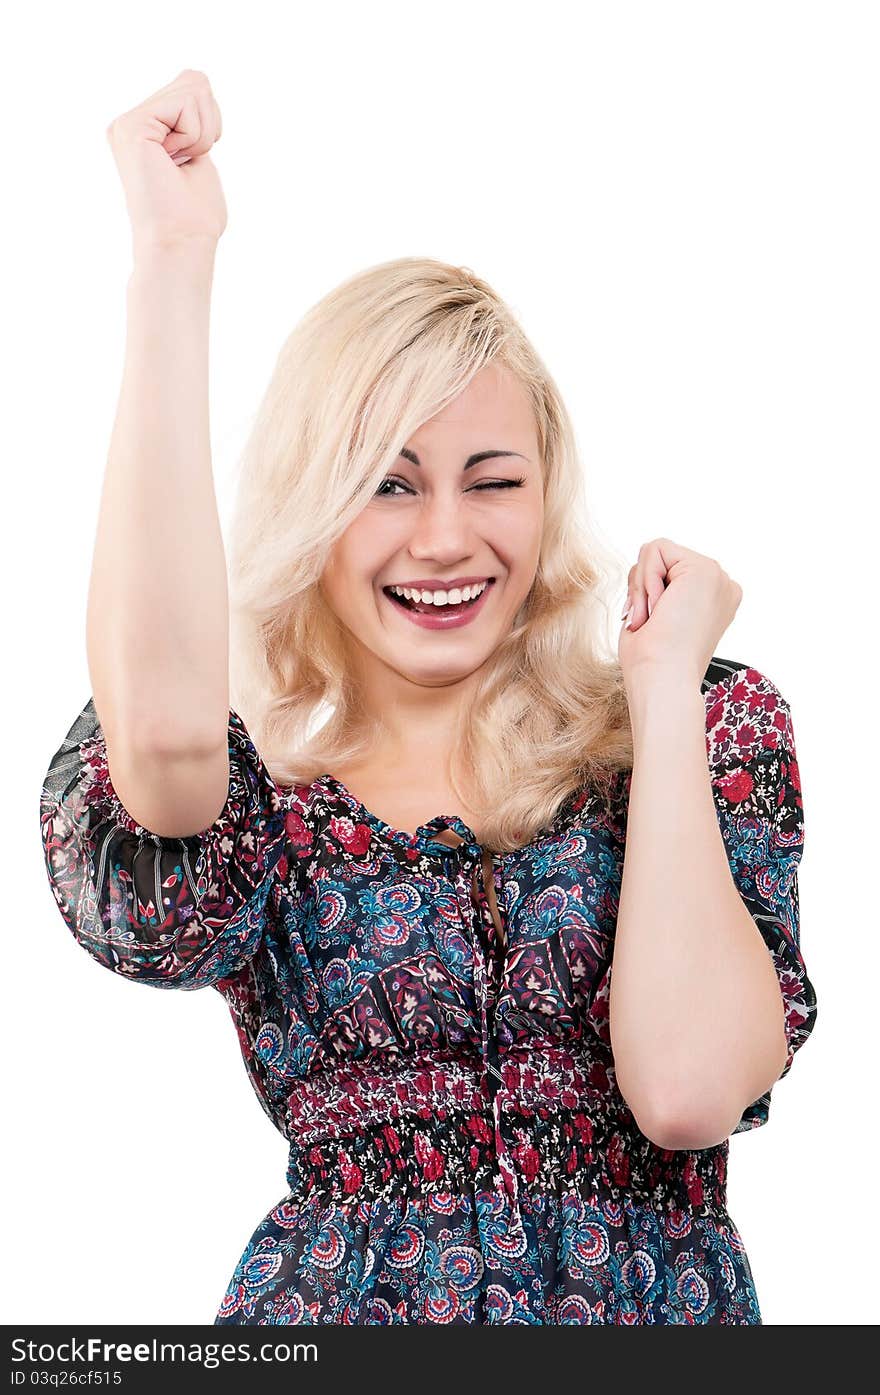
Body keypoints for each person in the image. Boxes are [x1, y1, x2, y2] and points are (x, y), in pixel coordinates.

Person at [39, 70, 818, 1326]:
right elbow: (172, 730)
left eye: (491, 480)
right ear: (314, 502)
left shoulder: (698, 730)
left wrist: (662, 693)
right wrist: (173, 260)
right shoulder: (267, 804)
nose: (445, 539)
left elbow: (685, 1090)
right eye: (388, 485)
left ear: (547, 490)